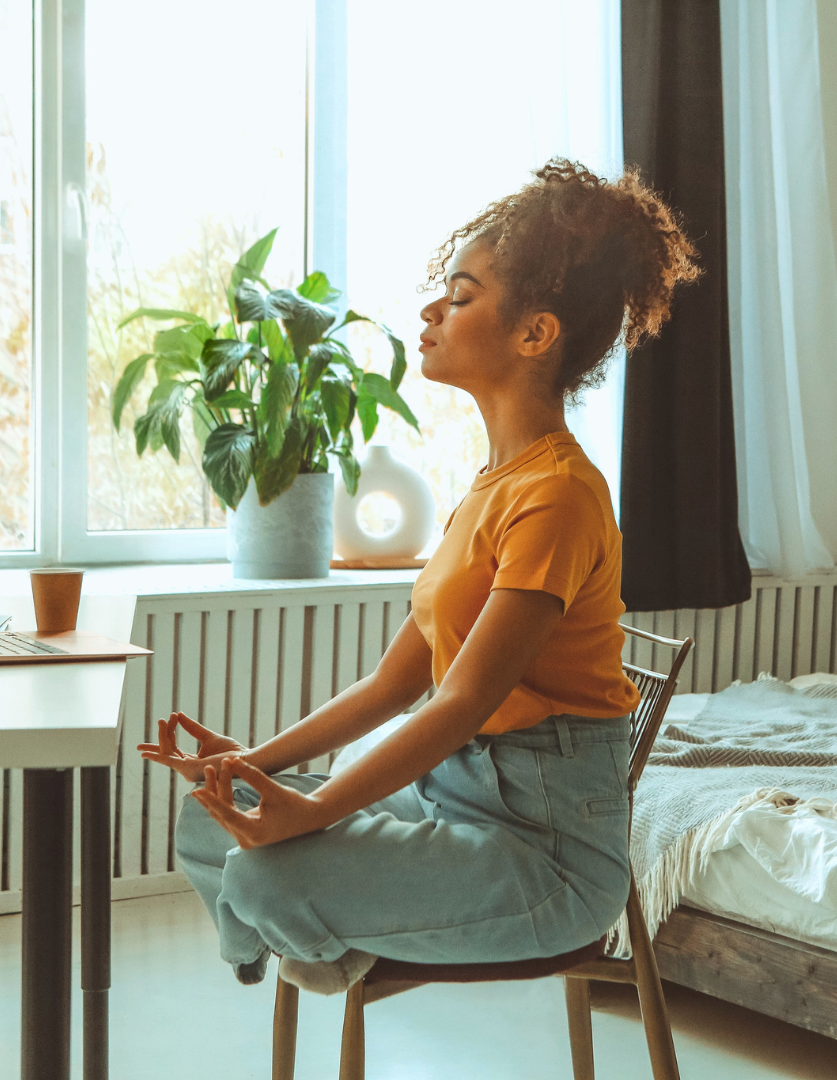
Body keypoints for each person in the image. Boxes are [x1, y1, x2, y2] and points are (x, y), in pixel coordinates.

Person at [139, 159, 701, 995]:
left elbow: (459, 702)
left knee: (259, 876)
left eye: (463, 296)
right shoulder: (490, 488)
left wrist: (316, 811)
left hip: (545, 855)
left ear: (534, 334)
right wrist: (257, 761)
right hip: (451, 802)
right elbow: (390, 684)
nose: (432, 310)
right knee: (207, 822)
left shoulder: (559, 497)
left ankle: (319, 937)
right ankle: (319, 937)